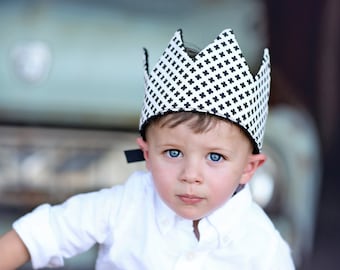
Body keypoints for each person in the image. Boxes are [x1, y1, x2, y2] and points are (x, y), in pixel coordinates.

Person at [0, 28, 295, 269]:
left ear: (248, 168)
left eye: (215, 157)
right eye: (173, 153)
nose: (190, 175)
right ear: (147, 155)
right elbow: (43, 232)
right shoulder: (125, 205)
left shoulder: (263, 248)